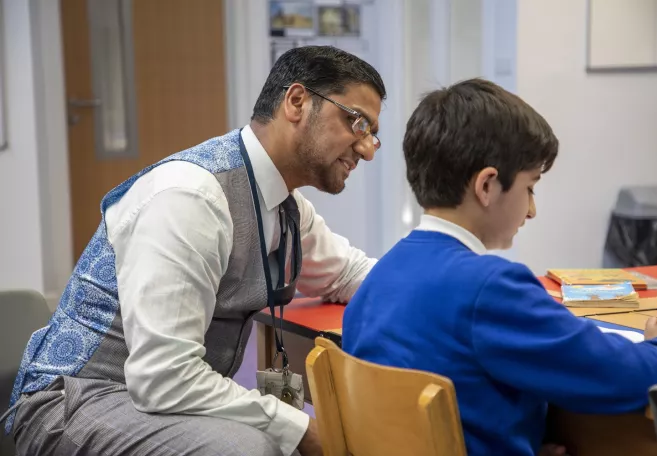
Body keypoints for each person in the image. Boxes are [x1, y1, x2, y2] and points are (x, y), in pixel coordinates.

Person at [5, 45, 385, 456]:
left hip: (153, 396)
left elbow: (349, 274)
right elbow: (164, 376)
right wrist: (301, 430)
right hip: (76, 402)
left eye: (372, 134)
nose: (366, 149)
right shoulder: (191, 198)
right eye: (357, 123)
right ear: (296, 102)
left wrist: (442, 286)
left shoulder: (287, 208)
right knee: (250, 449)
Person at [342, 78, 657, 456]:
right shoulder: (490, 288)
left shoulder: (379, 278)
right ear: (487, 185)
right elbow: (626, 378)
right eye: (530, 187)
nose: (532, 210)